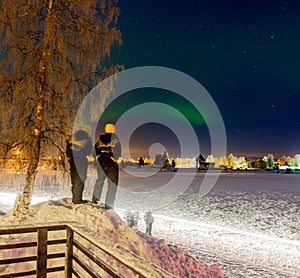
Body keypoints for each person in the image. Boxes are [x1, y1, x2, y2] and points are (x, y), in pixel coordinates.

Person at [92, 123, 121, 209]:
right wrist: (112, 160)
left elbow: (95, 153)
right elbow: (117, 153)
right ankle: (109, 205)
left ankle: (95, 200)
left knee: (100, 181)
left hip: (101, 164)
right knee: (112, 185)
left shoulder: (99, 140)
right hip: (112, 165)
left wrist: (101, 161)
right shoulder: (115, 140)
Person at [66, 129, 92, 204]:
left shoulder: (71, 139)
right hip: (81, 160)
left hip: (72, 160)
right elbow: (88, 151)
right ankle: (77, 199)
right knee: (81, 178)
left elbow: (67, 150)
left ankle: (75, 197)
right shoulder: (87, 140)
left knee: (74, 177)